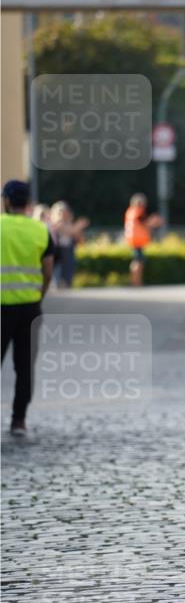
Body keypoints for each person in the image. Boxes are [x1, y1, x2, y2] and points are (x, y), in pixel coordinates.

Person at [1, 180, 55, 436]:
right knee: (24, 368)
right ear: (27, 203)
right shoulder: (41, 231)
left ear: (7, 201)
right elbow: (47, 272)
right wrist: (38, 297)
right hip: (30, 309)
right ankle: (18, 420)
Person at [123, 194, 162, 287]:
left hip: (133, 239)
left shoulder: (130, 211)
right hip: (138, 240)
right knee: (138, 261)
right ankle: (136, 282)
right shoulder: (138, 211)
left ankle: (135, 281)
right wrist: (153, 221)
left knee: (137, 261)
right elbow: (143, 223)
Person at [50, 201, 89, 289]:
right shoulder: (56, 223)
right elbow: (70, 231)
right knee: (59, 271)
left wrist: (76, 229)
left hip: (68, 250)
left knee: (69, 270)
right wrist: (79, 225)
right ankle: (60, 284)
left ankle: (66, 284)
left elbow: (80, 238)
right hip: (58, 251)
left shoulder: (70, 224)